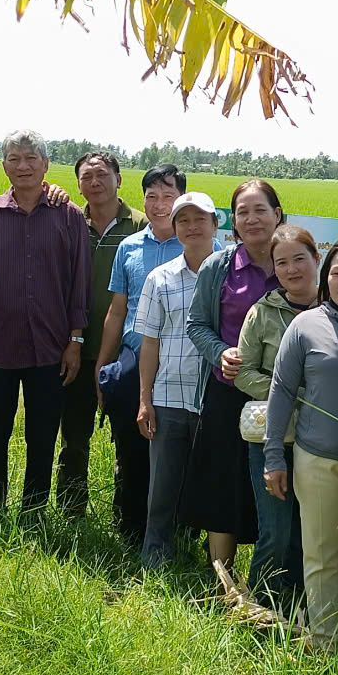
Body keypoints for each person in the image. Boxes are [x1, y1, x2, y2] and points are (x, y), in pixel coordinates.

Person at [0, 129, 91, 513]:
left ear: (46, 165)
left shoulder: (69, 215)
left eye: (31, 158)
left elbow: (79, 283)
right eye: (15, 158)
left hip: (51, 345)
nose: (23, 165)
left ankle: (34, 507)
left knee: (42, 432)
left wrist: (75, 340)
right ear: (4, 167)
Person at [265, 236, 338, 646]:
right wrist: (273, 455)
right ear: (325, 277)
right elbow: (280, 391)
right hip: (316, 460)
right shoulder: (305, 325)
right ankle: (326, 642)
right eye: (337, 273)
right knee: (320, 555)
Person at [97, 164, 208, 546]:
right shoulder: (129, 246)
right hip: (136, 349)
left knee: (186, 449)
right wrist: (102, 362)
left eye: (168, 195)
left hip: (187, 355)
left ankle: (184, 529)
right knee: (133, 444)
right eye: (152, 196)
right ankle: (131, 524)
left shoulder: (199, 246)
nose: (159, 205)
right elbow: (116, 310)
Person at [183, 179, 283, 575]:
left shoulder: (294, 260)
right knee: (222, 483)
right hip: (227, 392)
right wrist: (218, 352)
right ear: (234, 223)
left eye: (260, 210)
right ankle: (222, 582)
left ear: (278, 215)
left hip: (280, 396)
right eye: (243, 212)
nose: (252, 219)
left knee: (273, 483)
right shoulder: (219, 265)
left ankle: (272, 576)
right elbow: (198, 324)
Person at [59, 152, 148, 521]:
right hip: (74, 347)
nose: (94, 182)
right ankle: (70, 511)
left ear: (119, 179)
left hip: (127, 352)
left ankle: (123, 514)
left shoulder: (141, 226)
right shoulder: (67, 221)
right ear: (78, 183)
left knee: (126, 440)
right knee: (73, 437)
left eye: (102, 174)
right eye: (86, 176)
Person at [237, 224, 319, 607]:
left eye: (299, 259)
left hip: (322, 442)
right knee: (275, 530)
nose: (291, 269)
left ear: (317, 259)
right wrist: (288, 393)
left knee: (309, 532)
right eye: (282, 262)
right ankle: (257, 609)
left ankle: (302, 609)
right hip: (274, 438)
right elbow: (243, 371)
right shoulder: (263, 312)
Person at [136, 192, 219, 567]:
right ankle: (155, 557)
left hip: (218, 397)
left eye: (200, 219)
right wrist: (144, 398)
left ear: (215, 223)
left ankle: (212, 560)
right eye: (183, 220)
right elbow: (149, 342)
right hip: (169, 393)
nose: (192, 227)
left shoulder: (231, 273)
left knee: (211, 484)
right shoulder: (161, 278)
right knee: (162, 487)